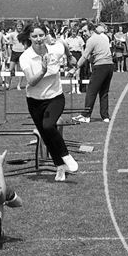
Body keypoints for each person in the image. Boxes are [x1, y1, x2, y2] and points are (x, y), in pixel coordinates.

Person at [18, 22, 79, 182]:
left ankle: (66, 155)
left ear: (46, 35)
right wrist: (43, 70)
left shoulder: (55, 48)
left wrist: (70, 56)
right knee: (46, 135)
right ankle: (60, 167)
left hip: (55, 97)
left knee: (48, 125)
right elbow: (31, 81)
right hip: (35, 101)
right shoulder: (26, 57)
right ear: (29, 38)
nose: (38, 39)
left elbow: (64, 44)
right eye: (34, 36)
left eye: (41, 35)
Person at [72, 23, 114, 123]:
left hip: (100, 66)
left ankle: (86, 116)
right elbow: (93, 57)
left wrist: (75, 68)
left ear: (91, 31)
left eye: (85, 31)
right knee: (104, 92)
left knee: (91, 91)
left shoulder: (91, 40)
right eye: (82, 32)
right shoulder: (102, 38)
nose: (83, 34)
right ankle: (105, 117)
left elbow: (84, 56)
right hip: (110, 66)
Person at [5, 21, 26, 91]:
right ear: (16, 26)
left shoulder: (24, 34)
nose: (19, 27)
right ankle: (8, 84)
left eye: (21, 26)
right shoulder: (12, 34)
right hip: (14, 52)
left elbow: (26, 44)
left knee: (20, 70)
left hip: (22, 52)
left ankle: (19, 85)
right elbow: (10, 45)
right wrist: (9, 55)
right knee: (11, 69)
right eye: (18, 26)